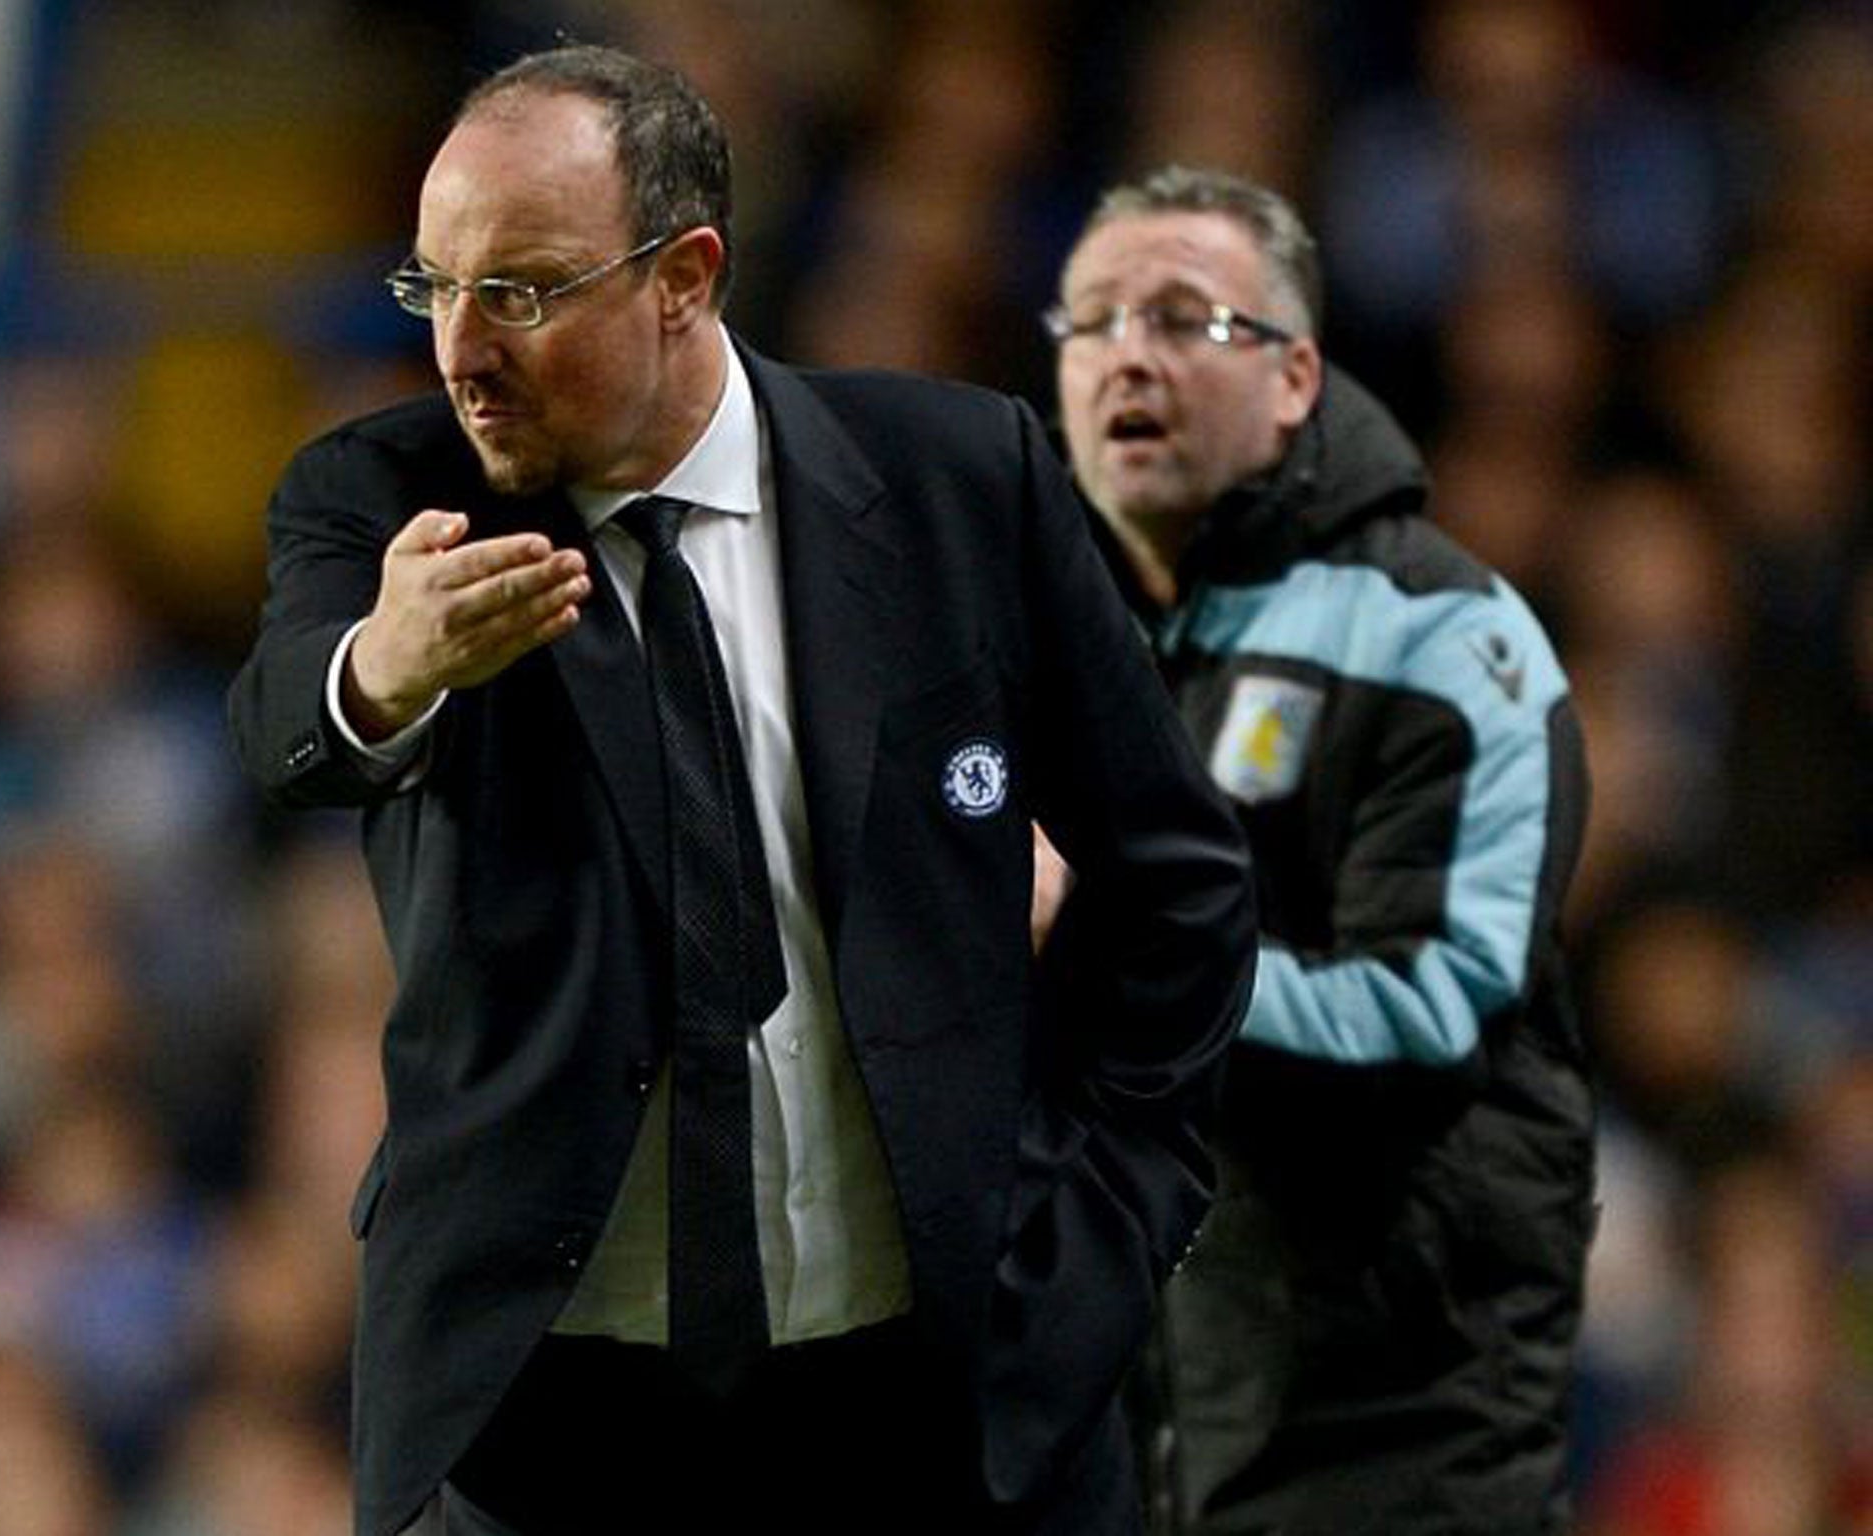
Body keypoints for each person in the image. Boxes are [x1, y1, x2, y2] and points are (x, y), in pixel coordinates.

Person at [227, 47, 1258, 1536]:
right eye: (434, 288)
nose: (463, 346)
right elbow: (285, 727)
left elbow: (1181, 882)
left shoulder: (963, 482)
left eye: (518, 291)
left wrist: (1103, 1228)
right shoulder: (388, 502)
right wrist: (385, 666)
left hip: (937, 1404)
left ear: (684, 278)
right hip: (556, 1424)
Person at [1042, 165, 1594, 1535]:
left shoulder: (1444, 646)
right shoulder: (1046, 643)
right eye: (1093, 322)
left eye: (1183, 319)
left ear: (1296, 378)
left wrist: (1102, 944)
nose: (1129, 358)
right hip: (1131, 1419)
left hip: (1397, 1433)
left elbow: (1428, 1022)